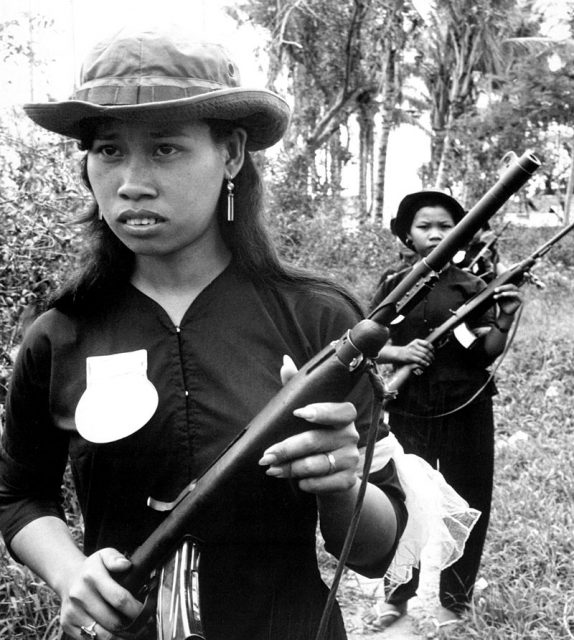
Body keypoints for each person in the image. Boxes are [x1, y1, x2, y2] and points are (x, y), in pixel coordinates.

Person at [0, 28, 408, 640]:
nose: (132, 181)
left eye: (165, 149)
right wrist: (68, 572)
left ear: (233, 153)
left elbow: (375, 549)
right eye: (109, 150)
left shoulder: (319, 320)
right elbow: (20, 496)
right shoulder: (60, 335)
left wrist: (342, 483)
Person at [369, 190, 522, 629]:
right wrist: (399, 353)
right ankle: (396, 597)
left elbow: (483, 352)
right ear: (407, 235)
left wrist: (505, 318)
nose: (436, 234)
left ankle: (456, 600)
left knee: (470, 497)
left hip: (466, 407)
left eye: (446, 227)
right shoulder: (393, 283)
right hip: (410, 408)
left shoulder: (472, 287)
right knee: (406, 498)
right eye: (425, 226)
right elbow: (370, 336)